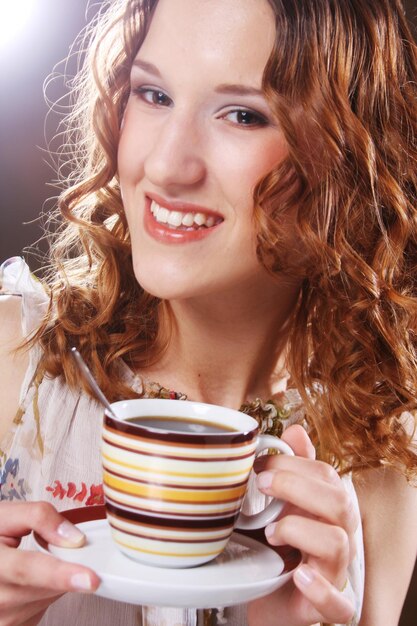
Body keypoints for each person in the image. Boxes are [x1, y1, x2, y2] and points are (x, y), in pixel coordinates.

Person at [0, 0, 416, 624]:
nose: (165, 166)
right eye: (153, 94)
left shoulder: (383, 447)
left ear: (346, 156)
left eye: (243, 115)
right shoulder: (12, 360)